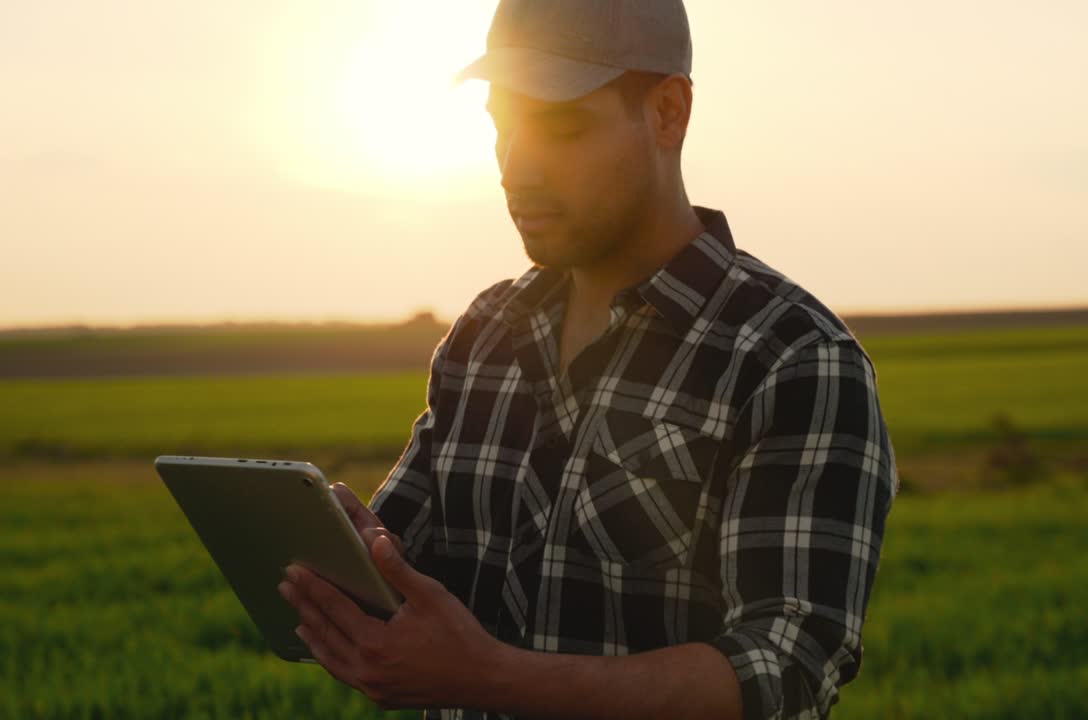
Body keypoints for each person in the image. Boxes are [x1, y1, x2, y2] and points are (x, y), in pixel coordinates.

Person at [277, 1, 897, 718]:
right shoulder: (486, 334)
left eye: (560, 126)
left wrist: (494, 678)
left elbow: (785, 670)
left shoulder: (791, 360)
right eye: (501, 126)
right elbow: (409, 569)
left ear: (668, 113)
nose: (516, 167)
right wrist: (358, 561)